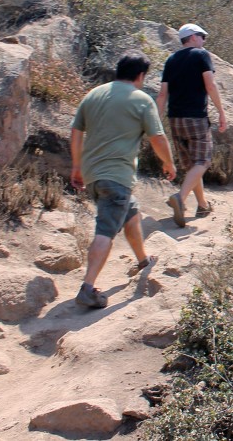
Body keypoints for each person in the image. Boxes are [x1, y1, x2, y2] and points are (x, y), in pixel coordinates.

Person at [70, 52, 176, 309]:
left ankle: (143, 261)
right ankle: (87, 287)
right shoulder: (141, 100)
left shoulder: (93, 94)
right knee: (106, 230)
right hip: (117, 175)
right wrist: (168, 162)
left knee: (131, 214)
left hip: (95, 175)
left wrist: (77, 166)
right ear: (140, 76)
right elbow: (158, 138)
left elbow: (75, 131)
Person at [157, 23, 226, 228]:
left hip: (175, 119)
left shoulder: (171, 60)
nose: (204, 40)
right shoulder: (201, 55)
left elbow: (162, 95)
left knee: (192, 165)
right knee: (203, 161)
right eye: (202, 36)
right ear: (194, 37)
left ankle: (203, 205)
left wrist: (156, 121)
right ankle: (180, 198)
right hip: (195, 117)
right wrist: (222, 112)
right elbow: (210, 85)